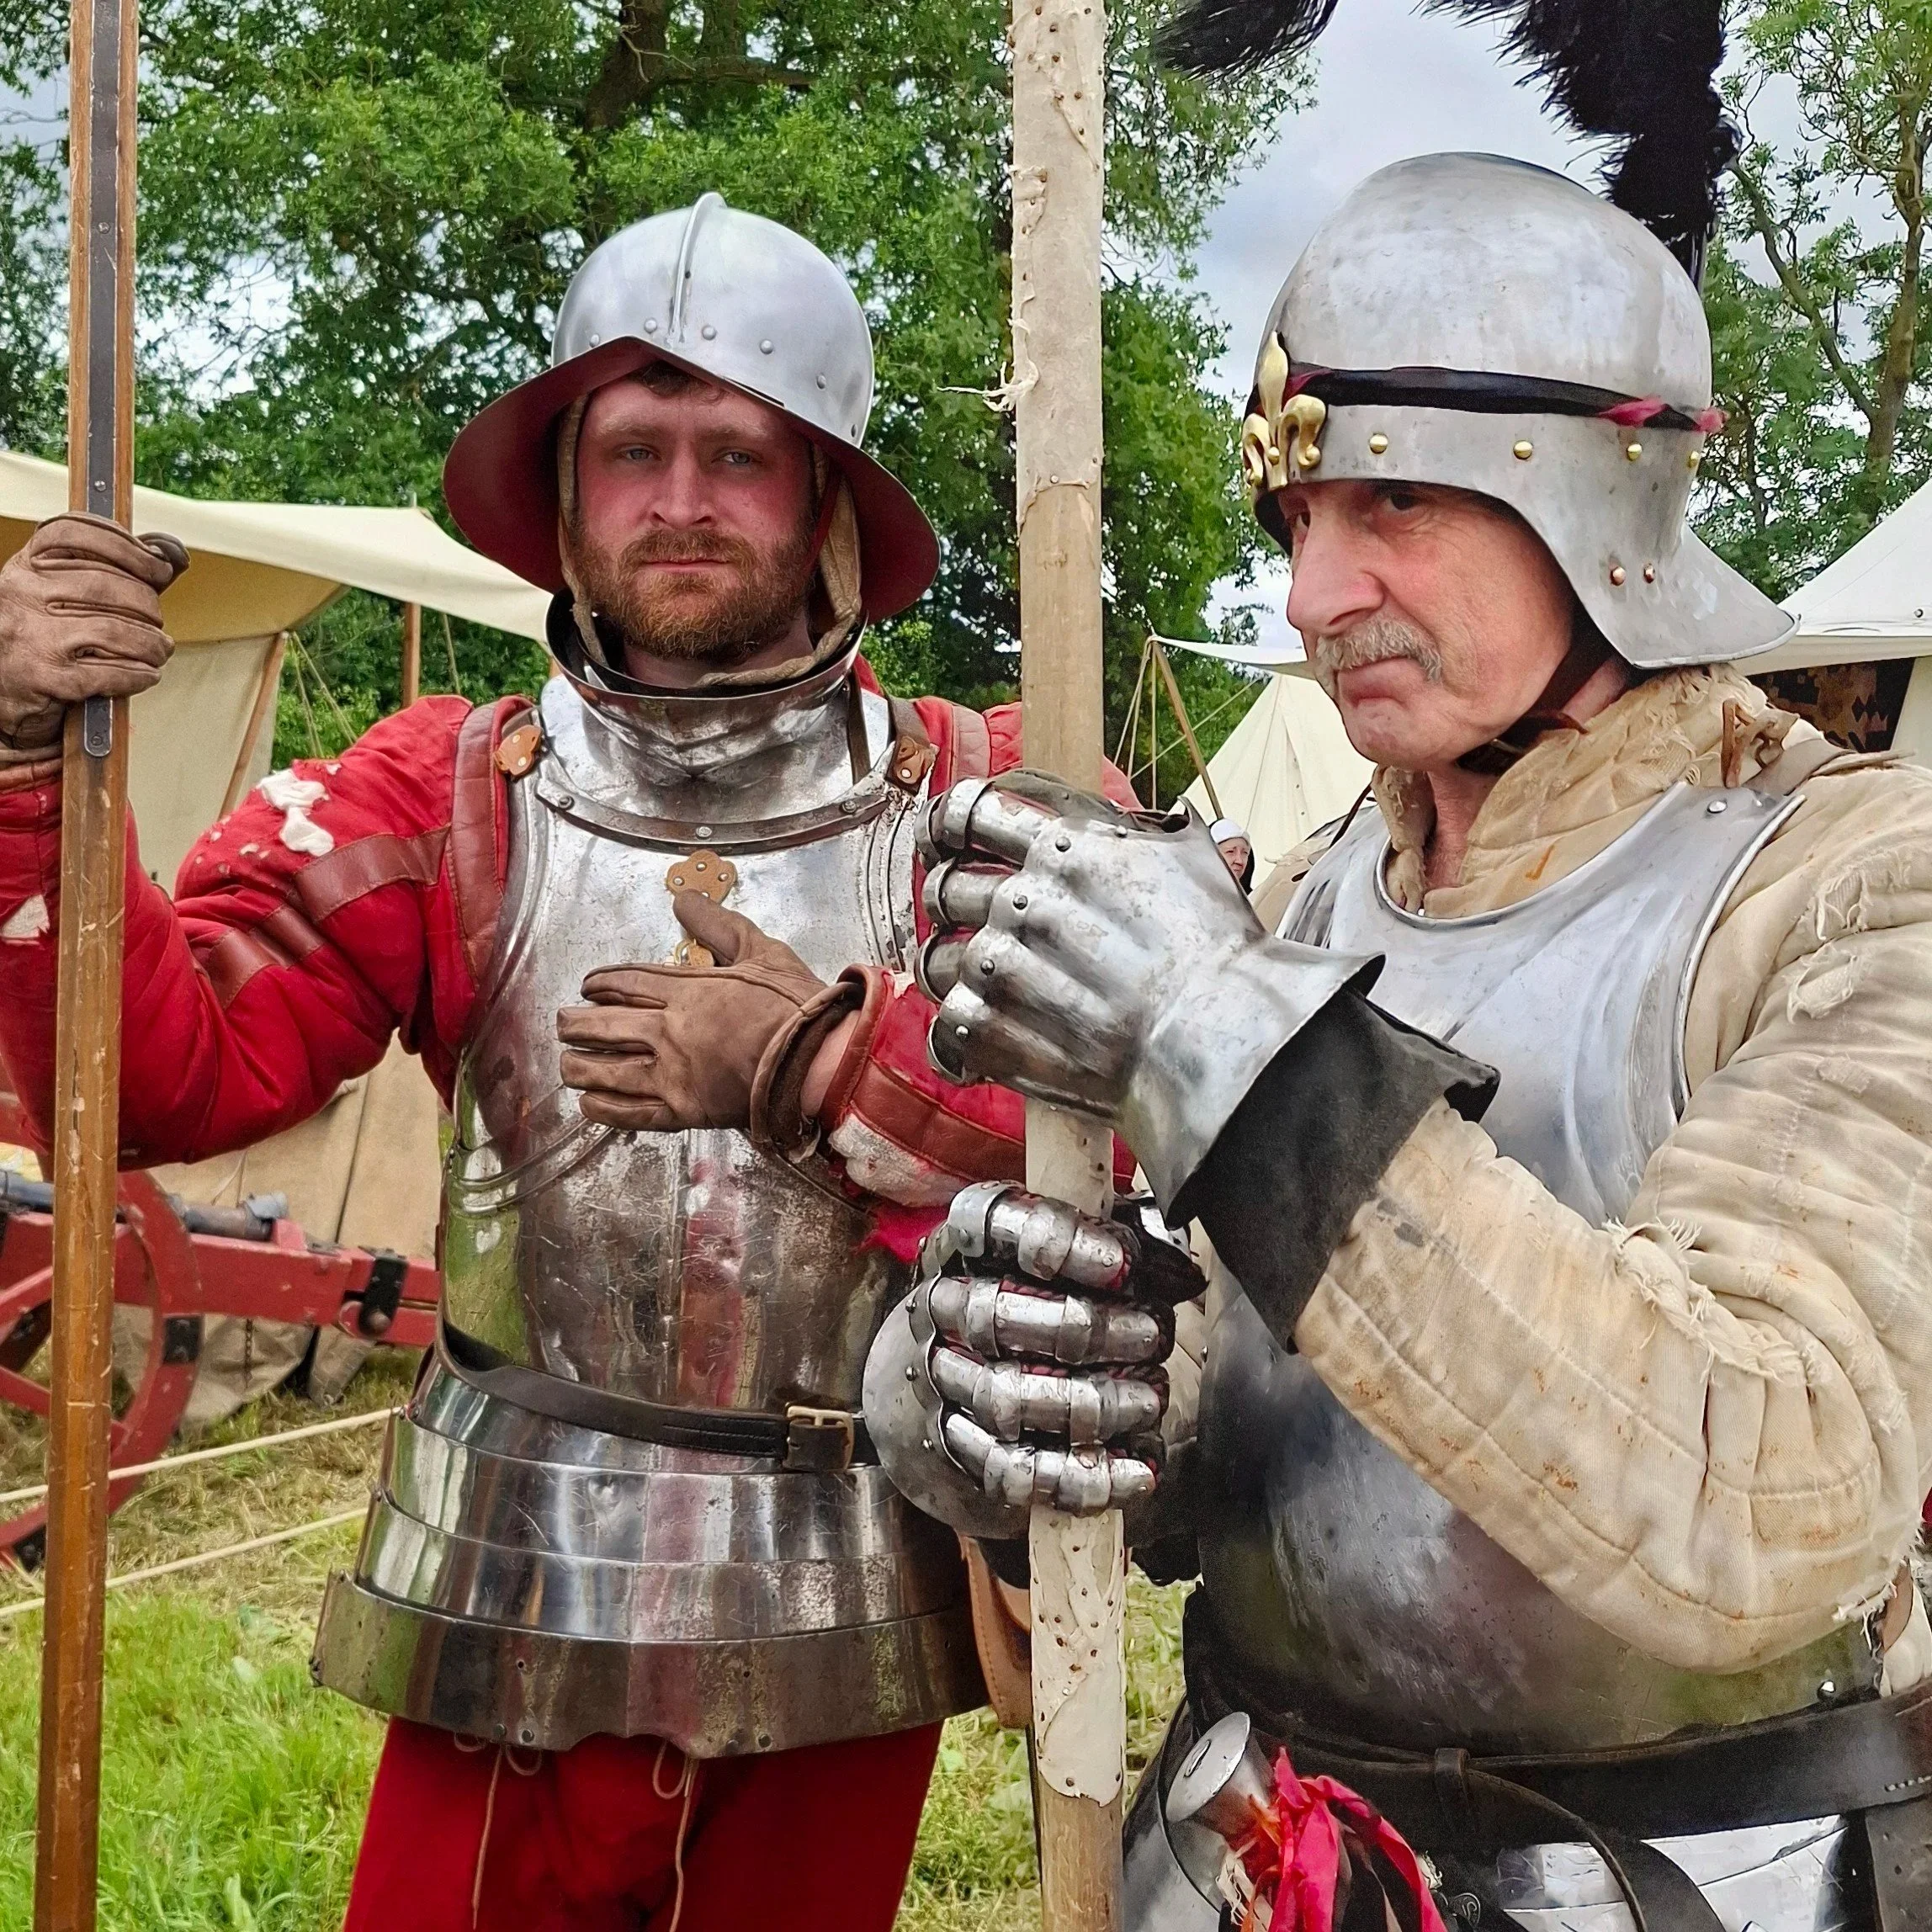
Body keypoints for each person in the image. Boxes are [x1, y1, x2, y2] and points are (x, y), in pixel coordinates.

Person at [0, 194, 1130, 1932]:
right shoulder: (441, 789)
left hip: (849, 1562)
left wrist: (828, 1065)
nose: (680, 500)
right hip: (519, 1549)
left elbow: (1125, 1151)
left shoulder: (985, 797)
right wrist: (18, 768)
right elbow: (172, 1077)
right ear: (563, 491)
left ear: (826, 491)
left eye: (738, 453)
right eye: (634, 451)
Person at [873, 154, 1932, 1930]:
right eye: (1294, 519)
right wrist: (1013, 1380)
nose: (1306, 593)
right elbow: (1266, 1453)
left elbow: (1762, 1486)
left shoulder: (1847, 881)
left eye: (1386, 503)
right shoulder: (1311, 891)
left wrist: (1213, 1031)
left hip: (1687, 1871)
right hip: (1250, 1852)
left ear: (1593, 491)